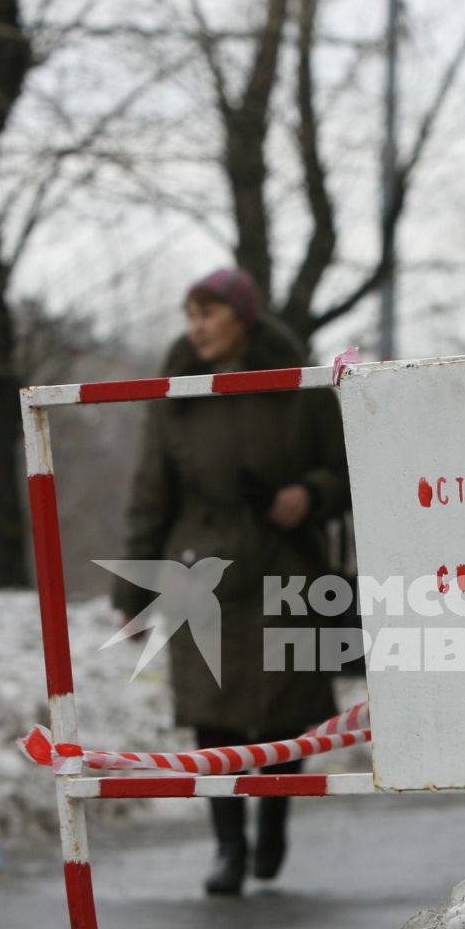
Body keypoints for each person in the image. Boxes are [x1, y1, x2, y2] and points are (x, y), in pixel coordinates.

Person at [114, 268, 350, 896]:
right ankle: (227, 846)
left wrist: (311, 493)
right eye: (190, 313)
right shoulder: (178, 395)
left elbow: (349, 468)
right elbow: (150, 496)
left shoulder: (300, 387)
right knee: (211, 715)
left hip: (288, 565)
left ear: (241, 319)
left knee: (285, 713)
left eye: (209, 312)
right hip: (202, 570)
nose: (196, 325)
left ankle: (272, 824)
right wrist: (131, 595)